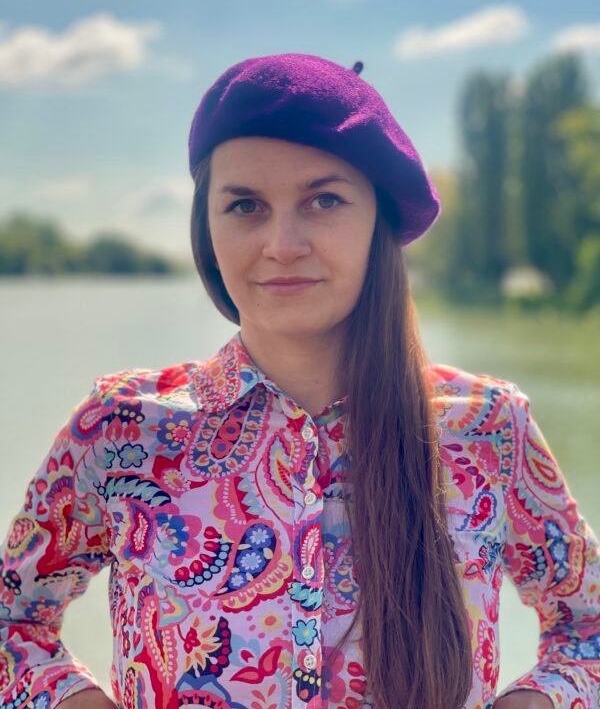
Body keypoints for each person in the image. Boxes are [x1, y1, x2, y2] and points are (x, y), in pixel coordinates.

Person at [0, 53, 598, 709]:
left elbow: (586, 627)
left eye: (323, 200)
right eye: (245, 205)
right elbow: (15, 622)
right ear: (207, 226)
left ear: (379, 221)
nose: (282, 242)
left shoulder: (488, 428)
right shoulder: (124, 430)